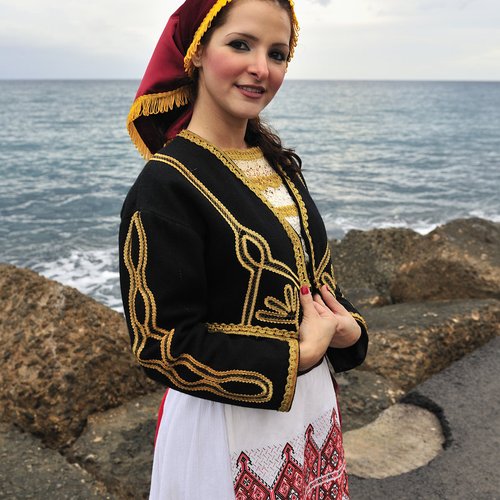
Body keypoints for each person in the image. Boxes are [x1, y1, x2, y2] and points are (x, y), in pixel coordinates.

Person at [119, 0, 368, 497]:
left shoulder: (278, 165)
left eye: (277, 54)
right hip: (224, 433)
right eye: (240, 45)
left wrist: (347, 329)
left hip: (312, 414)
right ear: (196, 54)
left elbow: (317, 287)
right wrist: (296, 357)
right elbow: (163, 346)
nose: (261, 68)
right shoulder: (166, 186)